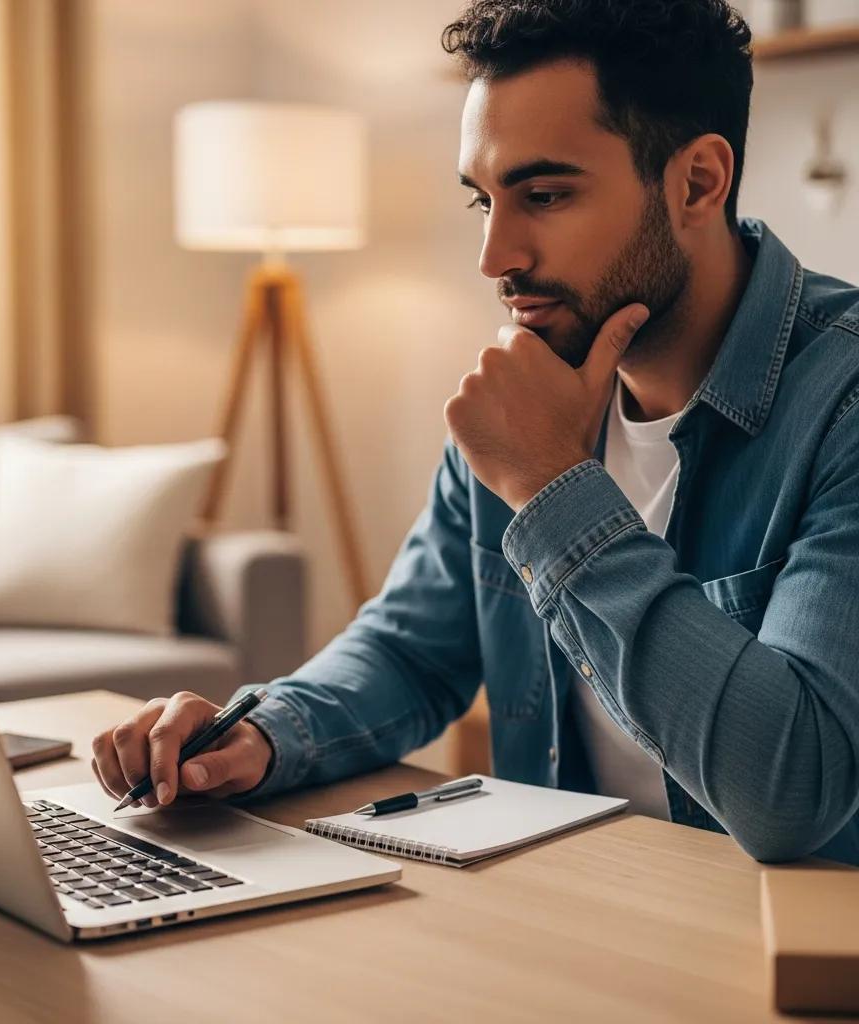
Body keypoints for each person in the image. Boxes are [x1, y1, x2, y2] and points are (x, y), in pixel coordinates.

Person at [91, 0, 859, 865]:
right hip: (566, 916)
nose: (495, 256)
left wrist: (553, 489)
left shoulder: (842, 403)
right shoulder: (526, 389)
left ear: (697, 183)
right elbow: (412, 651)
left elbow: (796, 792)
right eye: (483, 201)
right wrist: (262, 735)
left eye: (543, 194)